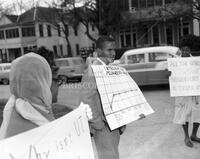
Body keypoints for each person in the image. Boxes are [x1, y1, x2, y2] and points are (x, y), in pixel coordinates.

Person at [0, 53, 92, 139]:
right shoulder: (28, 120)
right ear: (41, 84)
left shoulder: (22, 110)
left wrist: (79, 119)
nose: (59, 86)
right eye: (57, 80)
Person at [81, 36, 126, 159]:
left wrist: (123, 121)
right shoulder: (92, 70)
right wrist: (98, 124)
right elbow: (86, 100)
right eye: (109, 50)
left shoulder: (109, 68)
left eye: (114, 49)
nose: (113, 53)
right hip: (104, 127)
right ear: (99, 51)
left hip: (114, 125)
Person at [173, 46, 200, 147]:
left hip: (195, 92)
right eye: (182, 50)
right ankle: (186, 137)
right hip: (182, 93)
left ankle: (194, 135)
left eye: (187, 49)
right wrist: (168, 75)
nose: (185, 51)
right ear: (180, 51)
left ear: (190, 51)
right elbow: (171, 77)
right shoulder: (175, 62)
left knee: (198, 113)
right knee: (184, 114)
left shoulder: (196, 62)